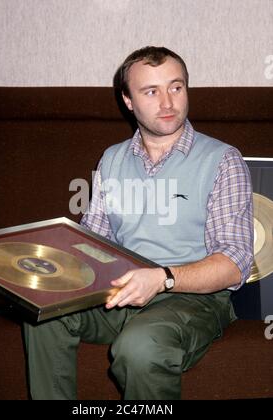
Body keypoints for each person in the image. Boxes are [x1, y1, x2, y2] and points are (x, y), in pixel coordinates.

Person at [23, 46, 254, 400]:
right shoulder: (112, 159)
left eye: (176, 88)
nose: (167, 102)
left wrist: (162, 279)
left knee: (140, 347)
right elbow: (92, 242)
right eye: (151, 91)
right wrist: (42, 268)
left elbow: (233, 264)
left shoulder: (223, 161)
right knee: (42, 313)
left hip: (192, 299)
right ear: (128, 101)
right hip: (118, 292)